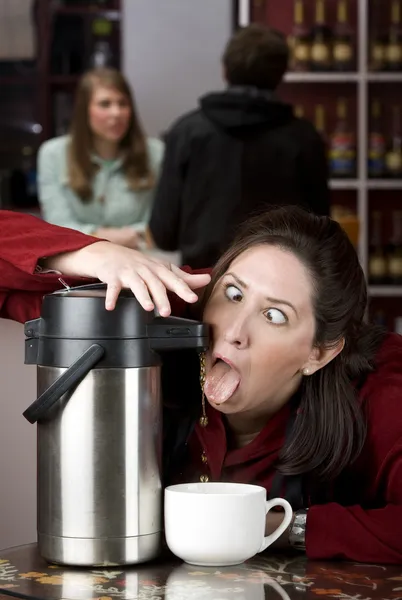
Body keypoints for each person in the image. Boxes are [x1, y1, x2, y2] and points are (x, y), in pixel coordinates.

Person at [1, 206, 402, 565]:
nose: (233, 330)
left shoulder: (382, 388)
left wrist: (281, 525)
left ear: (320, 353)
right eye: (233, 293)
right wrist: (91, 253)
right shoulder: (170, 306)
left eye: (274, 316)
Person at [148, 25, 330, 268]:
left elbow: (163, 234)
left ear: (225, 70)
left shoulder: (187, 131)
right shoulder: (305, 138)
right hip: (280, 281)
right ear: (281, 75)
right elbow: (318, 230)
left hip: (205, 281)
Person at [38, 68, 164, 248]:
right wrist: (120, 237)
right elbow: (58, 225)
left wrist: (95, 236)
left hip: (142, 259)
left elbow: (161, 225)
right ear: (84, 110)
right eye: (105, 104)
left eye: (123, 103)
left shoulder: (156, 153)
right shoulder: (53, 154)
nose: (116, 113)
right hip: (79, 263)